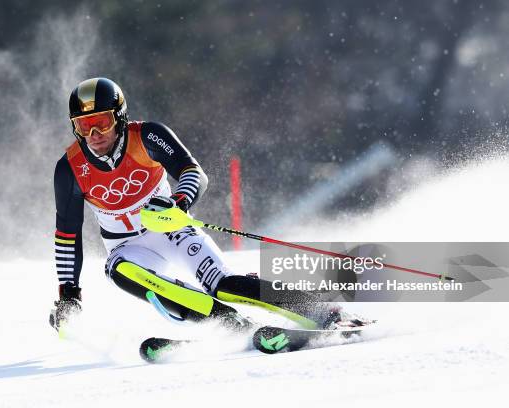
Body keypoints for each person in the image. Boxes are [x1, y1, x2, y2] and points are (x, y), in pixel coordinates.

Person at [50, 77, 341, 333]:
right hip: (127, 247)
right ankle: (228, 323)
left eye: (101, 122)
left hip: (172, 231)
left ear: (120, 117)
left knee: (223, 285)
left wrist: (178, 203)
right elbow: (67, 236)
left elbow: (193, 173)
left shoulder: (148, 136)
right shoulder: (70, 168)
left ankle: (318, 310)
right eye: (83, 125)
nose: (94, 135)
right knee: (120, 270)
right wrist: (69, 296)